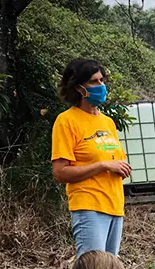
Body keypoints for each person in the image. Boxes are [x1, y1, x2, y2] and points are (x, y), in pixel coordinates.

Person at [52, 59, 132, 257]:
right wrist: (103, 165)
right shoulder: (67, 121)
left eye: (102, 80)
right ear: (79, 88)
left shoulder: (108, 122)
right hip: (89, 207)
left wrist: (119, 168)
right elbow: (60, 173)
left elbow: (114, 161)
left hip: (115, 206)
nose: (101, 85)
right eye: (94, 82)